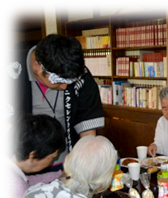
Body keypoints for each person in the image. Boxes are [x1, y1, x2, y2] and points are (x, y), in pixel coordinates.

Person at [4, 34, 105, 172]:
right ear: (37, 67)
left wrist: (86, 160)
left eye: (69, 82)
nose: (64, 87)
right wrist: (24, 141)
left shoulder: (80, 73)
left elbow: (87, 124)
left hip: (66, 163)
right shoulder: (9, 66)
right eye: (58, 82)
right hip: (20, 163)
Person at [3, 114, 66, 198]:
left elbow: (29, 181)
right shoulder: (15, 189)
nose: (53, 161)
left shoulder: (6, 168)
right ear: (32, 155)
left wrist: (60, 174)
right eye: (52, 157)